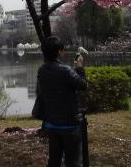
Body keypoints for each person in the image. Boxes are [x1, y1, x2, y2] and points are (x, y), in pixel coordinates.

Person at [36, 36, 87, 167]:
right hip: (70, 125)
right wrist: (79, 68)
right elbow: (82, 85)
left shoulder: (42, 70)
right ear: (59, 51)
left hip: (52, 124)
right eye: (62, 49)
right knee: (73, 162)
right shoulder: (65, 70)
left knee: (54, 161)